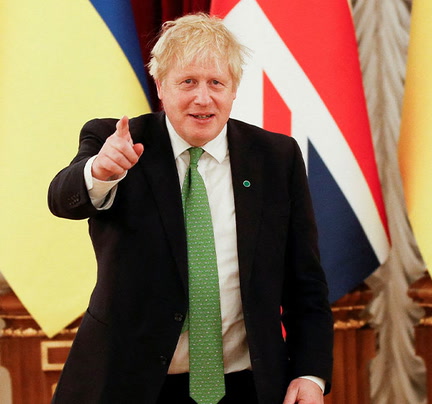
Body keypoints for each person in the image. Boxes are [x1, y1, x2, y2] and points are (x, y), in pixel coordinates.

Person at [48, 13, 333, 404]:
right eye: (188, 82)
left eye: (216, 82)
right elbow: (62, 199)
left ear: (234, 89)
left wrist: (310, 373)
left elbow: (306, 282)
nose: (203, 98)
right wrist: (100, 171)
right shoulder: (117, 142)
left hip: (247, 386)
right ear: (161, 86)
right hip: (129, 385)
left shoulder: (276, 157)